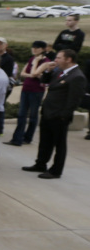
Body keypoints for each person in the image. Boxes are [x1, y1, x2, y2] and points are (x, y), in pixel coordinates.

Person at [22, 49, 87, 180]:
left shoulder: (77, 76)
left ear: (68, 59)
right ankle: (40, 164)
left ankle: (56, 170)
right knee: (45, 141)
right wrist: (48, 71)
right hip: (48, 112)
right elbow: (45, 82)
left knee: (59, 144)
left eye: (58, 58)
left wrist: (63, 116)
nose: (55, 60)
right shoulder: (58, 71)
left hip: (59, 116)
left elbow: (74, 100)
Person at [8, 40, 48, 146]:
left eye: (37, 48)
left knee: (33, 115)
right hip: (26, 89)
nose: (34, 49)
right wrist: (33, 74)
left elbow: (34, 72)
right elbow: (23, 73)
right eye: (33, 47)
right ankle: (17, 138)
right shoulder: (31, 58)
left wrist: (35, 65)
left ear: (43, 49)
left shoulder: (46, 62)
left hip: (37, 91)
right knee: (21, 114)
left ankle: (28, 137)